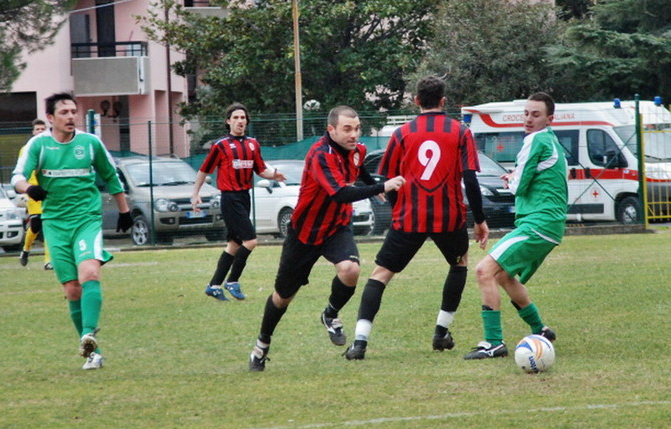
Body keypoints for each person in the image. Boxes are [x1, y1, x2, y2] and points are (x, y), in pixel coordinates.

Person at [248, 105, 405, 372]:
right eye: (347, 129)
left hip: (336, 227)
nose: (353, 134)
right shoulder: (320, 155)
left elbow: (358, 171)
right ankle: (262, 344)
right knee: (282, 297)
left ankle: (330, 314)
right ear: (330, 130)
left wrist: (373, 182)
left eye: (356, 128)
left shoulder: (359, 151)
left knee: (350, 269)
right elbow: (341, 194)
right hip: (305, 233)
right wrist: (382, 187)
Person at [344, 75, 490, 361]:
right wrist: (480, 219)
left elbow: (388, 179)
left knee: (381, 275)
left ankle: (360, 342)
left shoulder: (402, 133)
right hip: (449, 216)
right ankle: (440, 332)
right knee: (458, 264)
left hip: (409, 217)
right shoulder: (460, 131)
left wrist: (398, 208)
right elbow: (470, 179)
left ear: (416, 101)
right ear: (443, 101)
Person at [11, 92, 133, 370]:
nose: (70, 117)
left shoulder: (90, 144)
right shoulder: (39, 146)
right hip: (55, 222)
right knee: (72, 289)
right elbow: (17, 177)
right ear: (51, 118)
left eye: (73, 111)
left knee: (89, 272)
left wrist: (124, 211)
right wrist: (29, 188)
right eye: (64, 112)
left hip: (86, 219)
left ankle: (88, 333)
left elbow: (110, 176)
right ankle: (93, 352)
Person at [463, 91, 566, 360]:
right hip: (548, 226)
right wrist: (516, 176)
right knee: (503, 276)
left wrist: (511, 180)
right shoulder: (551, 141)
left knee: (484, 271)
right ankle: (540, 329)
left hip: (538, 224)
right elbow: (536, 177)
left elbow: (519, 185)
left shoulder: (535, 140)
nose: (529, 119)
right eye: (526, 113)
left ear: (549, 119)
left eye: (536, 114)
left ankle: (494, 343)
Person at [191, 102, 286, 302]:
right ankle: (232, 280)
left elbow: (260, 170)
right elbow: (204, 170)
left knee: (234, 244)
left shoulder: (253, 144)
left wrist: (274, 175)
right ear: (228, 122)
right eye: (236, 118)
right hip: (230, 198)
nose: (240, 121)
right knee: (250, 241)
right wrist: (195, 193)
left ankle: (214, 285)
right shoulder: (221, 145)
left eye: (243, 118)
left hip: (244, 197)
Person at [18, 119, 52, 270]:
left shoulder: (51, 148)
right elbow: (22, 173)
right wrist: (29, 188)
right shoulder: (26, 149)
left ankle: (48, 261)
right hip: (32, 193)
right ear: (33, 132)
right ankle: (26, 250)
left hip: (47, 192)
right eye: (37, 129)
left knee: (48, 226)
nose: (40, 132)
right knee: (36, 225)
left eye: (42, 129)